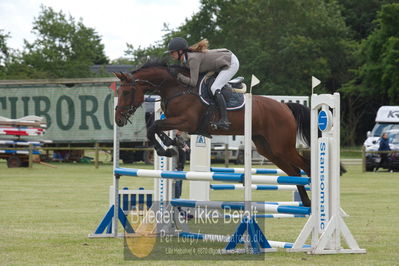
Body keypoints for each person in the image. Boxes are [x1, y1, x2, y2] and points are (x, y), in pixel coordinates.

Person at [166, 37, 240, 130]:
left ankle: (224, 120)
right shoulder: (184, 60)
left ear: (180, 51)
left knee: (215, 88)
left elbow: (193, 82)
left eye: (172, 52)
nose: (170, 54)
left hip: (231, 63)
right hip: (221, 62)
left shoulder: (192, 59)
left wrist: (178, 76)